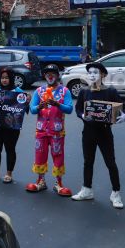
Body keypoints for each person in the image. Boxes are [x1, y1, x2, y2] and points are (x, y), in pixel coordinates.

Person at [72, 62, 125, 209]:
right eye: (90, 72)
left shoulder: (110, 91)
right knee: (88, 162)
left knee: (110, 163)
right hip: (88, 132)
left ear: (103, 75)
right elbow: (78, 108)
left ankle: (115, 193)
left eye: (95, 72)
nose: (92, 75)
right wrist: (83, 115)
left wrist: (124, 116)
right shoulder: (84, 91)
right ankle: (87, 189)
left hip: (104, 132)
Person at [27, 64, 74, 196]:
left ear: (58, 75)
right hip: (41, 131)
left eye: (53, 73)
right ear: (44, 76)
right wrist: (40, 106)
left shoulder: (65, 91)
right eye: (47, 73)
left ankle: (58, 184)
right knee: (40, 155)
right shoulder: (39, 91)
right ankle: (40, 181)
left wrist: (57, 104)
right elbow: (32, 109)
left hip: (56, 132)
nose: (50, 75)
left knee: (58, 156)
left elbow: (69, 109)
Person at [0, 68, 29, 184]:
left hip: (11, 127)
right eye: (2, 78)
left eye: (7, 78)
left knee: (10, 149)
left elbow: (24, 109)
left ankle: (9, 173)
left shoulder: (18, 91)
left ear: (12, 78)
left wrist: (27, 101)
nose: (4, 80)